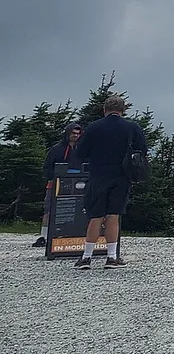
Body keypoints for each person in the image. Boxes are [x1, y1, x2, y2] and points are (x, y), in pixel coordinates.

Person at [73, 95, 147, 270]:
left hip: (98, 175)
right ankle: (112, 257)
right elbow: (142, 150)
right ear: (123, 110)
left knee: (96, 216)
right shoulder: (132, 127)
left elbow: (81, 152)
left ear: (104, 109)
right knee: (114, 215)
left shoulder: (93, 127)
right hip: (121, 176)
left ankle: (86, 257)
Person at [31, 121, 84, 247]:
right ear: (67, 133)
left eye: (78, 133)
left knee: (77, 210)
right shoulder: (56, 149)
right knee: (49, 209)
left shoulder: (82, 150)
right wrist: (51, 178)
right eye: (73, 133)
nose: (75, 135)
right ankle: (44, 236)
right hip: (56, 183)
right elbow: (47, 167)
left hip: (78, 184)